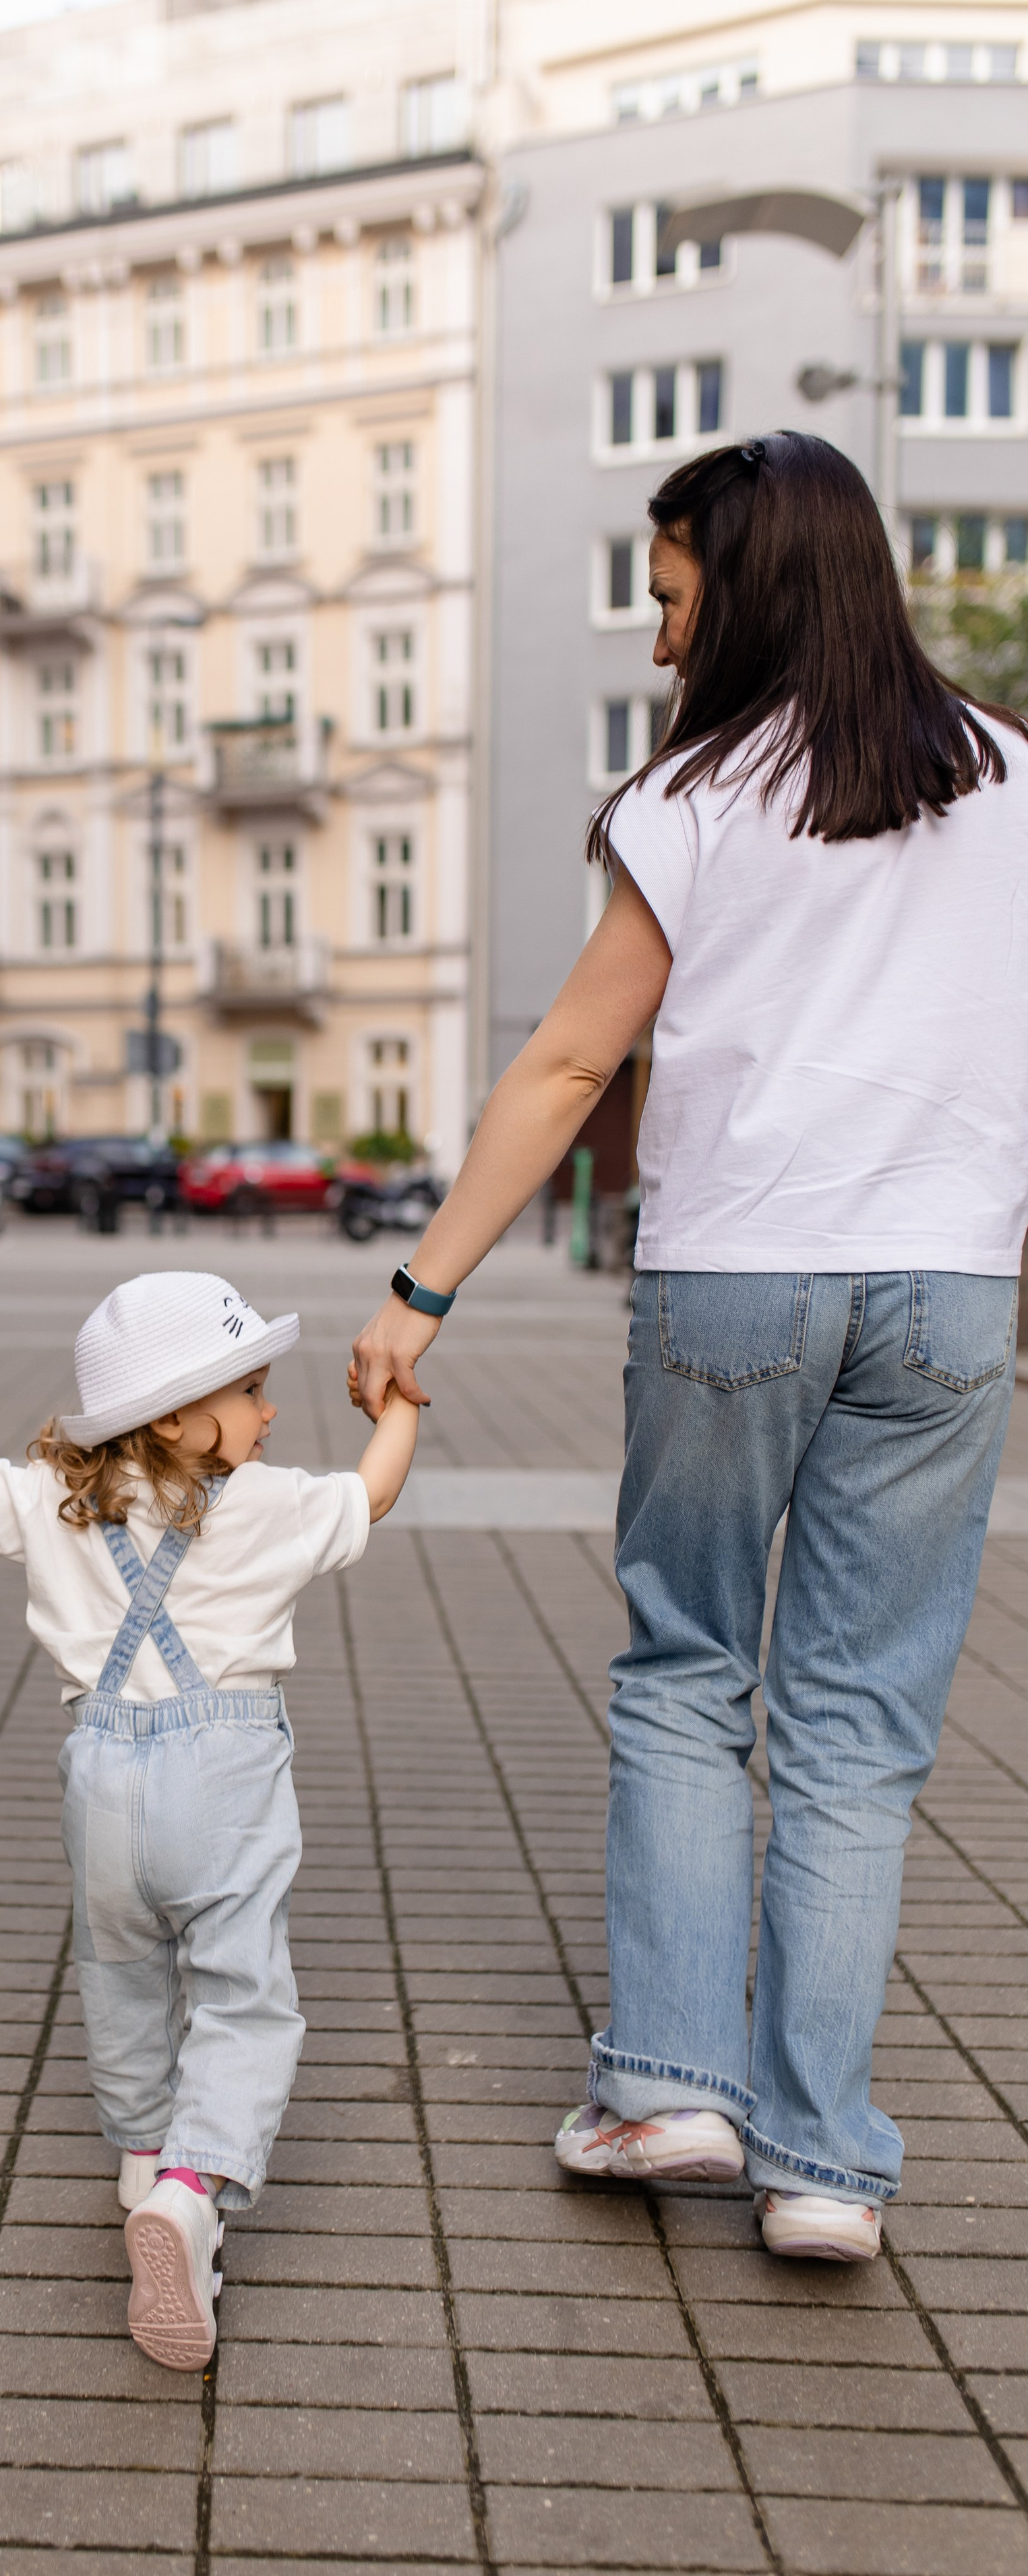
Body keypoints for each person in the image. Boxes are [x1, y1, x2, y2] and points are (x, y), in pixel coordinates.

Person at [350, 430, 1028, 2266]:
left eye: (669, 600)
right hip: (953, 1295)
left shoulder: (701, 795)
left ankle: (666, 2088)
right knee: (862, 1729)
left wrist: (420, 1294)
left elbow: (574, 1066)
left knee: (684, 1673)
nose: (662, 646)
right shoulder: (1016, 782)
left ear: (746, 585)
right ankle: (823, 2165)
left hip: (738, 1281)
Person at [0, 1271, 419, 2364]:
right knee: (243, 1994)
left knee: (121, 1973)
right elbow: (370, 1496)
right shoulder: (273, 1501)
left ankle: (142, 2158)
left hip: (99, 1781)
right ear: (184, 1419)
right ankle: (192, 2194)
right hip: (226, 1779)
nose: (271, 1411)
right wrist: (401, 1411)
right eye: (251, 1389)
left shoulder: (61, 1495)